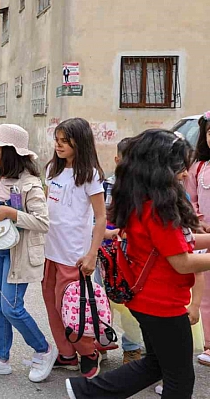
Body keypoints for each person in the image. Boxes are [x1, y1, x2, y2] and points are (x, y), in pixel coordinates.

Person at [65, 129, 210, 399]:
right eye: (180, 166)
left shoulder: (143, 201)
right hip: (163, 305)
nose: (186, 173)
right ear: (159, 169)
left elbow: (178, 244)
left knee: (156, 364)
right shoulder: (159, 210)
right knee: (180, 379)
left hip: (146, 300)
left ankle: (86, 391)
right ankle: (87, 392)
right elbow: (182, 261)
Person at [0, 124, 58, 382]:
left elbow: (43, 223)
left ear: (10, 152)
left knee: (12, 307)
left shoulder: (30, 184)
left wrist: (12, 214)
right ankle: (1, 357)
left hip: (18, 255)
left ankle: (44, 349)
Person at [43, 118, 107, 379]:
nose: (58, 145)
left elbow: (100, 217)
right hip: (50, 252)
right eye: (56, 140)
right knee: (52, 305)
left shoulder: (90, 175)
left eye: (64, 141)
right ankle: (67, 354)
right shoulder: (52, 170)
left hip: (74, 256)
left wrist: (92, 253)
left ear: (79, 142)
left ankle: (89, 352)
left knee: (71, 309)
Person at [97, 137, 145, 364]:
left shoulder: (145, 189)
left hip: (133, 255)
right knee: (102, 300)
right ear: (117, 160)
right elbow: (101, 217)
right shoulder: (107, 185)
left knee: (129, 303)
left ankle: (132, 347)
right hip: (107, 254)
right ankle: (101, 343)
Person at [183, 111, 210, 367]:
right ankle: (208, 342)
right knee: (204, 291)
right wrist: (199, 222)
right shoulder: (198, 167)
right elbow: (190, 200)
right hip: (204, 237)